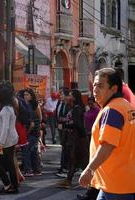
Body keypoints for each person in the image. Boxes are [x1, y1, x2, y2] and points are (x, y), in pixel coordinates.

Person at [79, 68, 135, 200]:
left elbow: (108, 145)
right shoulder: (127, 107)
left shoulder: (112, 110)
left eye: (100, 86)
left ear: (114, 89)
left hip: (115, 184)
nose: (95, 90)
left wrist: (89, 170)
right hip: (121, 182)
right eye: (94, 85)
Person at [57, 89, 89, 188]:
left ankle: (91, 183)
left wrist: (66, 125)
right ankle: (69, 180)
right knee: (75, 160)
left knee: (80, 160)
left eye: (70, 95)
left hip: (77, 138)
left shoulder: (77, 109)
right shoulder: (75, 107)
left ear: (74, 98)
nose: (68, 97)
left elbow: (78, 125)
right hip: (76, 137)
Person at [0, 81, 19, 194]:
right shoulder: (8, 108)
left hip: (6, 142)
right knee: (9, 164)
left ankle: (9, 185)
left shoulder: (6, 110)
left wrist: (0, 144)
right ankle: (11, 185)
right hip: (8, 141)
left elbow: (5, 128)